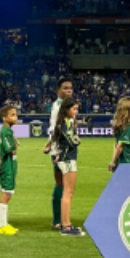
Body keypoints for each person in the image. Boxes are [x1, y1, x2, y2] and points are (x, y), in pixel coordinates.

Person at [43, 77, 75, 230]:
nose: (69, 90)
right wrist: (54, 147)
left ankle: (58, 219)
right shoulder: (59, 107)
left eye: (70, 88)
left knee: (62, 184)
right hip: (61, 150)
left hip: (58, 148)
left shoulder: (62, 105)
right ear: (58, 90)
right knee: (61, 184)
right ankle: (58, 220)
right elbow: (56, 128)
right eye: (65, 88)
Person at [52, 97, 84, 236]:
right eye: (74, 109)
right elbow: (72, 141)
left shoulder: (62, 123)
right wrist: (77, 140)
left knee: (67, 192)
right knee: (68, 192)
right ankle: (66, 226)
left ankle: (66, 224)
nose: (76, 112)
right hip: (68, 159)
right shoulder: (66, 123)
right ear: (66, 110)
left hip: (64, 158)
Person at [0, 105, 20, 235]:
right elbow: (9, 148)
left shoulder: (8, 131)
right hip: (7, 167)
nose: (15, 117)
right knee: (6, 194)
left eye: (16, 114)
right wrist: (14, 145)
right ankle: (2, 225)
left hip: (9, 165)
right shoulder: (5, 131)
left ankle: (4, 223)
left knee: (8, 194)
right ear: (4, 118)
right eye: (12, 115)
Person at [108, 96, 130, 173]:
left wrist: (113, 161)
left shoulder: (122, 125)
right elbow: (120, 146)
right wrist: (113, 162)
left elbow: (116, 145)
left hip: (121, 163)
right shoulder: (128, 127)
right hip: (127, 163)